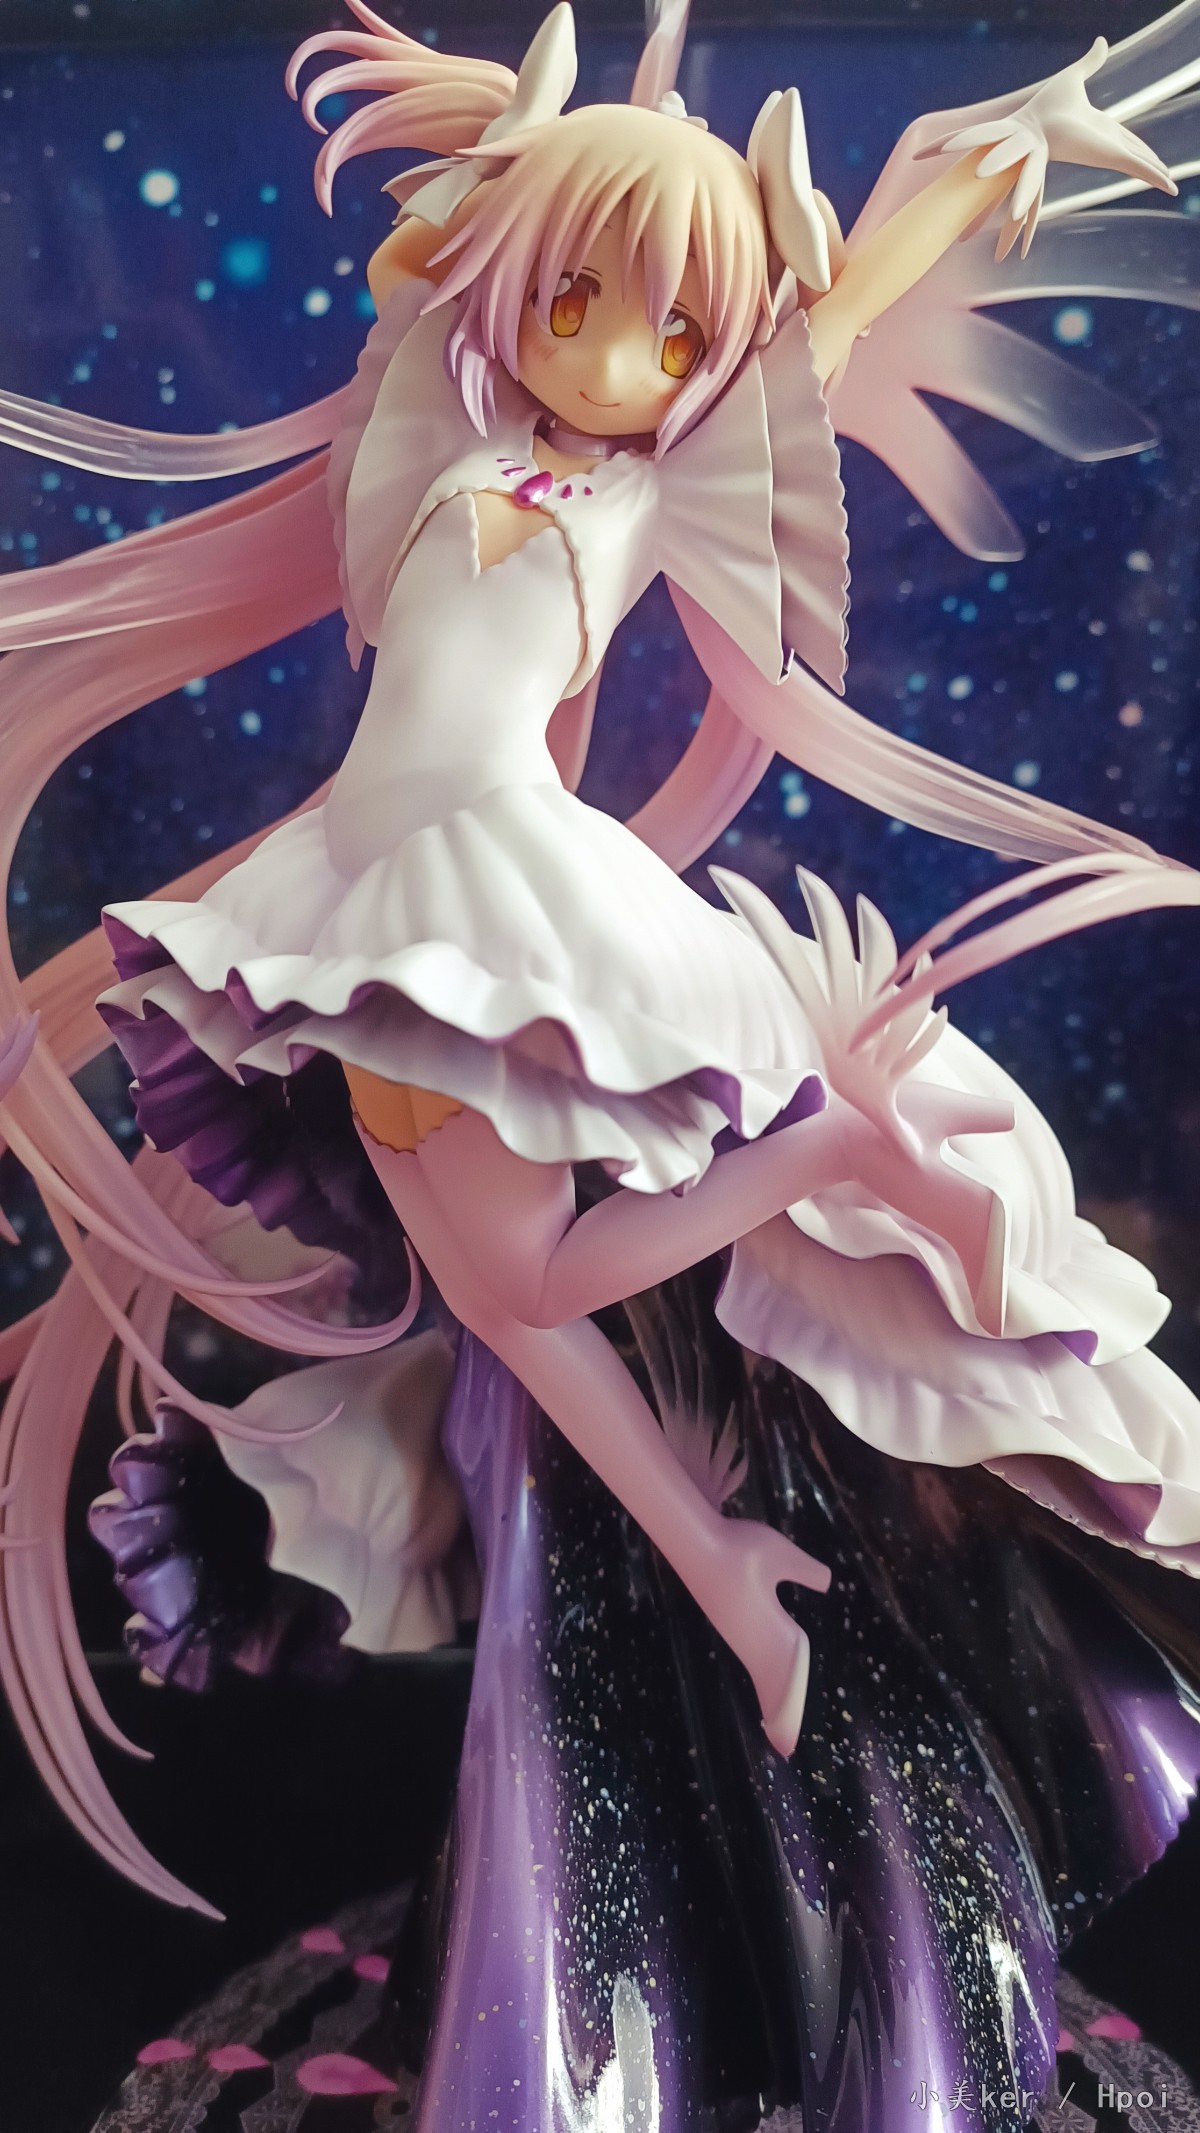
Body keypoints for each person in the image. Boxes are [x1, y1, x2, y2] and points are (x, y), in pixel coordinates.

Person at [1, 0, 1200, 1920]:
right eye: (574, 305)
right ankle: (728, 1551)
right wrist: (504, 174)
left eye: (673, 336)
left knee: (526, 1283)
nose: (616, 359)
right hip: (354, 885)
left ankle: (813, 1236)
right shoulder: (441, 427)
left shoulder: (653, 491)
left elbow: (820, 330)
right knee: (507, 1296)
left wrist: (979, 151)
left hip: (490, 892)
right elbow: (429, 271)